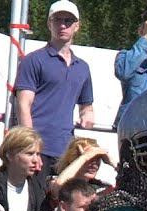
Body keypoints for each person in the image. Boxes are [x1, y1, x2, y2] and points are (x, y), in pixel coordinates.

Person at [15, 1, 94, 165]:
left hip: (66, 151)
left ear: (77, 26)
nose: (63, 25)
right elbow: (23, 104)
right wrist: (30, 147)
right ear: (49, 24)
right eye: (57, 20)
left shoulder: (83, 68)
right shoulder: (33, 60)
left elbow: (86, 106)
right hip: (37, 150)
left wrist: (87, 115)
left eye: (68, 21)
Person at [0, 127, 52, 211]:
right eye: (29, 153)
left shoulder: (36, 187)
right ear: (9, 155)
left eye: (37, 154)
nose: (36, 160)